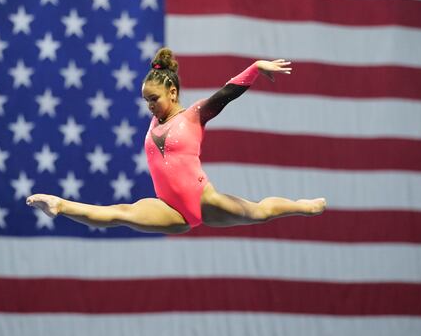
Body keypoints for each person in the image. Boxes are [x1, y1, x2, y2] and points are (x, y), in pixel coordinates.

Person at [27, 47, 326, 234]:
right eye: (145, 100)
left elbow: (226, 94)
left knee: (259, 213)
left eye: (153, 99)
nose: (150, 106)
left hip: (203, 200)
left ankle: (302, 206)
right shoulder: (155, 120)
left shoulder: (194, 116)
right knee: (121, 214)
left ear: (172, 92)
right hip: (168, 208)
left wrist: (256, 68)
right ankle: (59, 205)